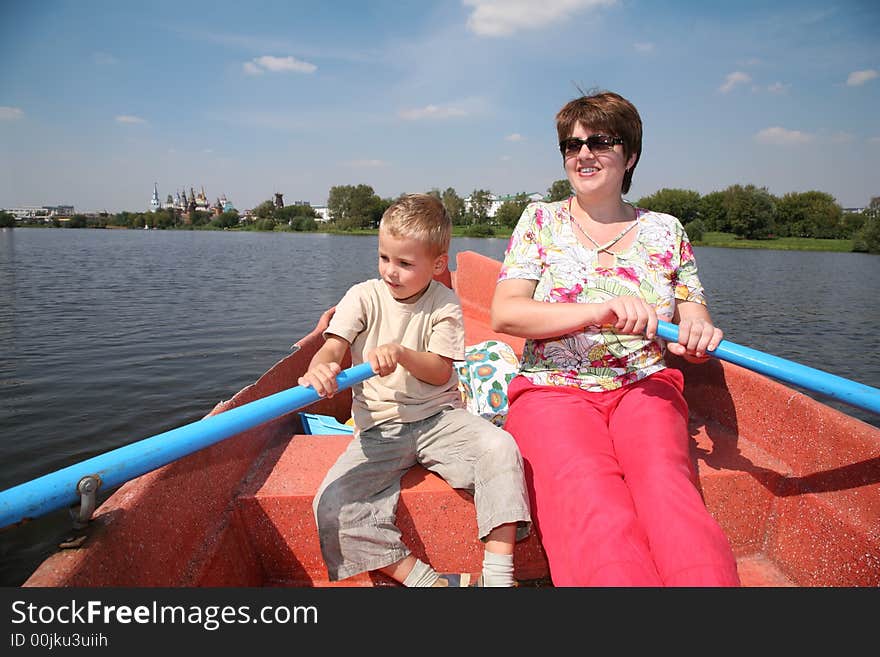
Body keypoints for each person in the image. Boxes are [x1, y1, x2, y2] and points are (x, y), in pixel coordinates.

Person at [490, 90, 740, 587]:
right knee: (590, 495)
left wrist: (694, 334)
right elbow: (506, 313)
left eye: (601, 141)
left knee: (667, 488)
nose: (583, 153)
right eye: (571, 144)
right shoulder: (539, 220)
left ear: (631, 155)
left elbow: (693, 316)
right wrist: (598, 311)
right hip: (552, 388)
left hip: (644, 387)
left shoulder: (668, 231)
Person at [300, 193, 531, 587]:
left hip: (438, 418)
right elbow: (333, 346)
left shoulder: (444, 303)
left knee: (501, 448)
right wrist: (319, 367)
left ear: (438, 264)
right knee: (331, 503)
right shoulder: (362, 296)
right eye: (384, 258)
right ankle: (425, 581)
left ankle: (498, 579)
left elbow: (441, 372)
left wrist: (404, 354)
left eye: (405, 263)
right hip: (379, 427)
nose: (391, 271)